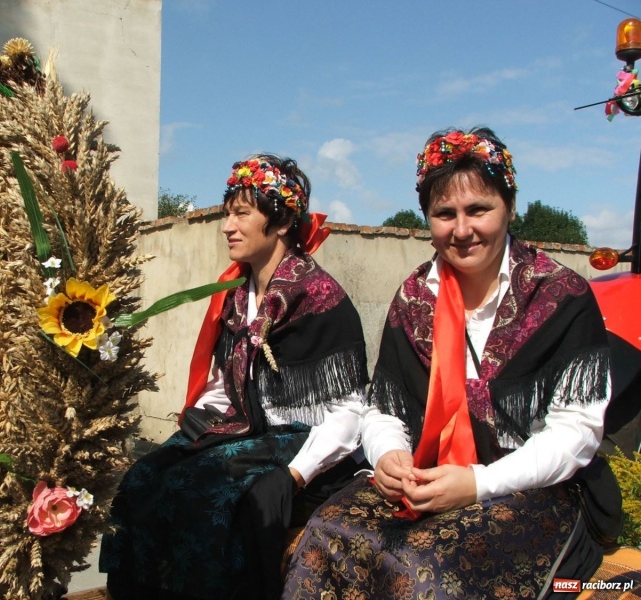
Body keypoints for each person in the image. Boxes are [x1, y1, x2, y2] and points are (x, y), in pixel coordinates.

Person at [282, 127, 617, 599]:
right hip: (430, 474)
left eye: (478, 209)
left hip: (533, 487)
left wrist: (479, 482)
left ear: (510, 206)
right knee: (329, 533)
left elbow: (576, 432)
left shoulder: (560, 297)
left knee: (421, 569)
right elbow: (384, 408)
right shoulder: (415, 298)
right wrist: (388, 457)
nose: (462, 230)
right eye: (444, 214)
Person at [99, 154, 370, 600]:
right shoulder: (239, 297)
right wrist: (201, 416)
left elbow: (350, 411)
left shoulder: (320, 300)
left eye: (242, 213)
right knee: (145, 476)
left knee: (206, 492)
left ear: (281, 221)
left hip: (307, 444)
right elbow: (231, 379)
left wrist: (294, 477)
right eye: (228, 213)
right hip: (249, 432)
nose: (228, 225)